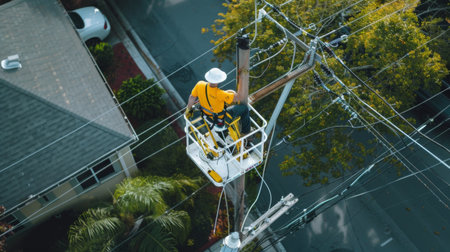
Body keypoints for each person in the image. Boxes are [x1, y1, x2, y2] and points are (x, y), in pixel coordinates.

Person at [185, 67, 250, 136]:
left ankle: (224, 134)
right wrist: (243, 80)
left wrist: (189, 109)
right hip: (220, 121)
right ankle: (245, 133)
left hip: (207, 117)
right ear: (219, 80)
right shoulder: (219, 93)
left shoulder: (199, 85)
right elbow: (238, 97)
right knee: (244, 109)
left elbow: (192, 97)